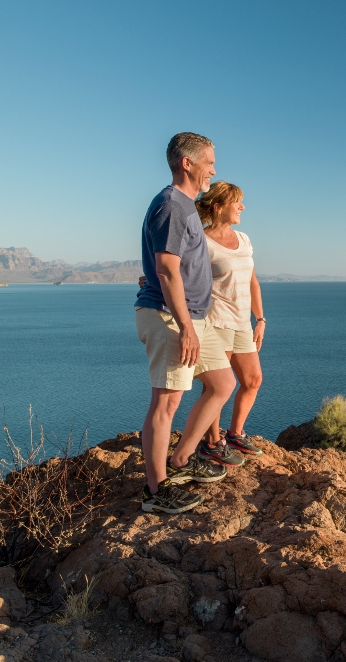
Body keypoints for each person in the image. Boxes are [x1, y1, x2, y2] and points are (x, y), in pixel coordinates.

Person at [134, 132, 237, 514]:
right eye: (209, 161)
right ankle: (157, 491)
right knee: (167, 402)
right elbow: (167, 269)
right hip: (171, 317)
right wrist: (186, 327)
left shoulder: (187, 206)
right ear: (187, 163)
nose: (214, 168)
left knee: (223, 383)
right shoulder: (172, 204)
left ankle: (181, 459)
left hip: (193, 316)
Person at [193, 182, 266, 463]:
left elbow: (252, 281)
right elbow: (179, 271)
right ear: (218, 206)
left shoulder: (244, 239)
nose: (243, 207)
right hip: (215, 324)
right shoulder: (201, 241)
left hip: (242, 323)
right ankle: (212, 442)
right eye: (238, 202)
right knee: (217, 387)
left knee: (252, 380)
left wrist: (260, 319)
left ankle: (235, 434)